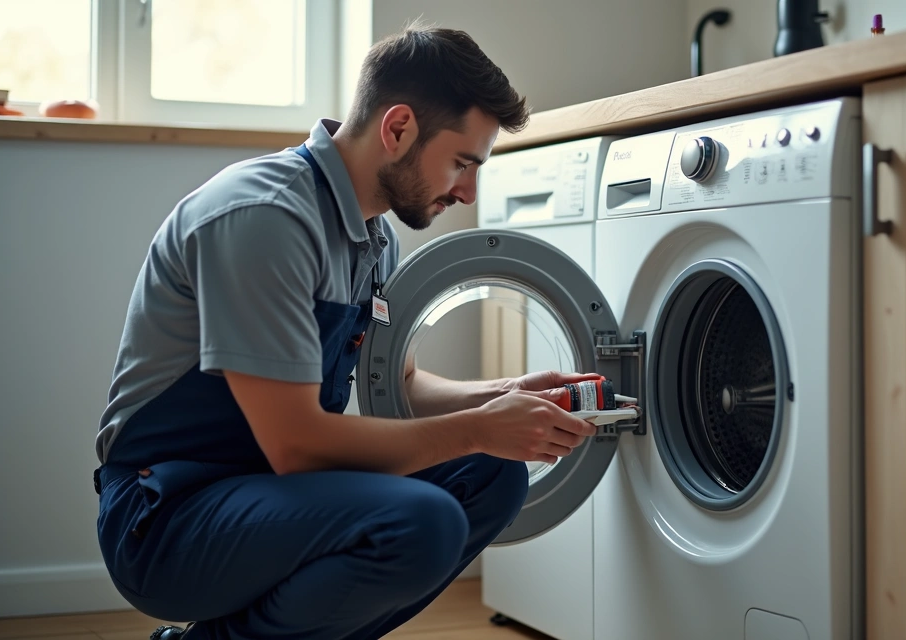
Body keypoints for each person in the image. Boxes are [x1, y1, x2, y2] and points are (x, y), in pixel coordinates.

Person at [93, 22, 600, 640]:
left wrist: (503, 397)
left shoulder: (372, 236)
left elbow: (402, 383)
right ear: (398, 128)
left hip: (275, 494)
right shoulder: (266, 217)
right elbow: (299, 446)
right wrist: (478, 428)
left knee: (493, 474)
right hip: (167, 518)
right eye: (462, 163)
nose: (468, 191)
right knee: (423, 521)